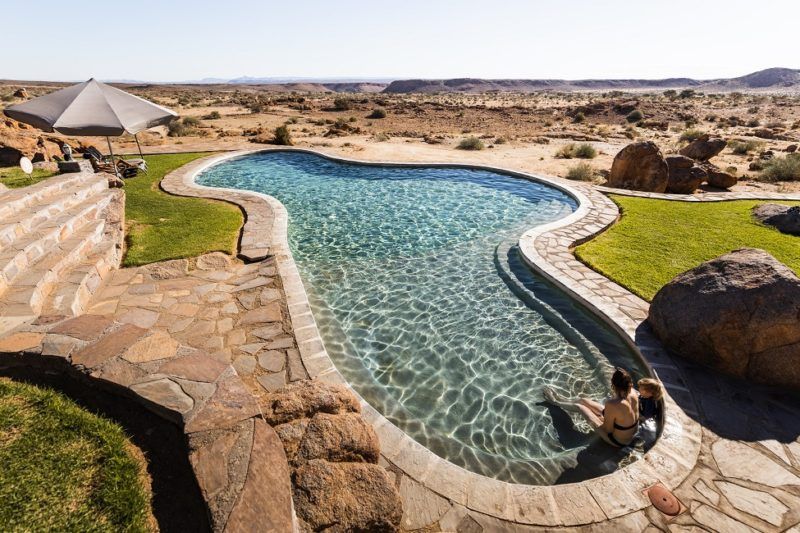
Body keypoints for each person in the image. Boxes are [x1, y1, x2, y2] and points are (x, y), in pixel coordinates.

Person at [544, 368, 639, 448]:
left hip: (617, 440)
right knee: (583, 401)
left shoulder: (612, 404)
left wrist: (596, 417)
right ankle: (561, 399)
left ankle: (555, 402)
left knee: (580, 407)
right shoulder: (633, 392)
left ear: (613, 385)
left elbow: (608, 430)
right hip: (628, 432)